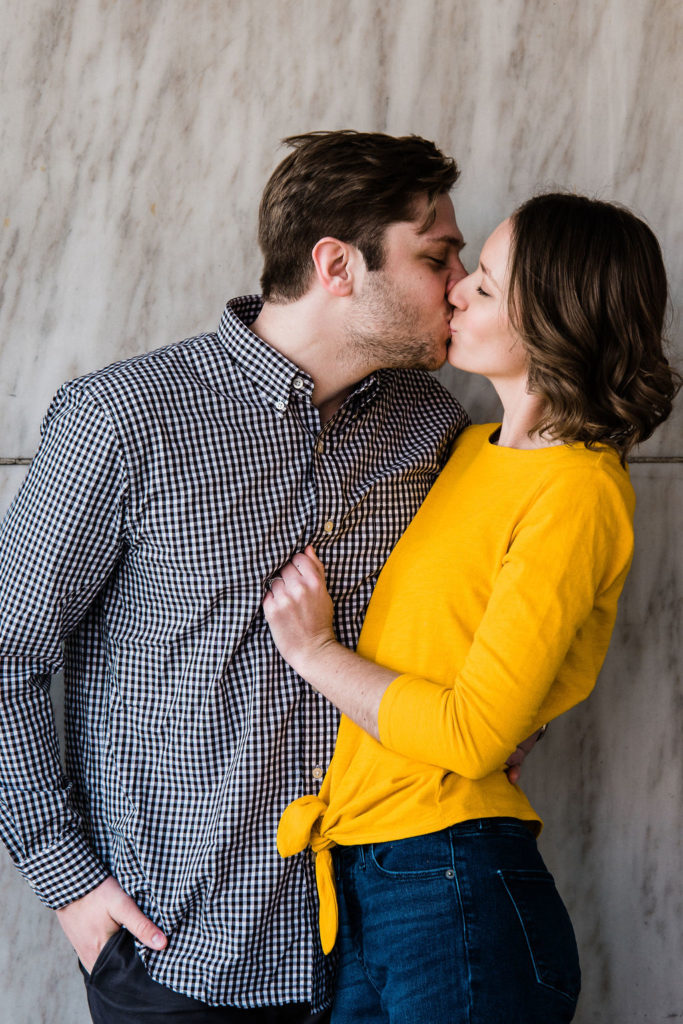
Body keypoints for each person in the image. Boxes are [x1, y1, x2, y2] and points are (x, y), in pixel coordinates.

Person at [0, 129, 506, 1023]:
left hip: (377, 946)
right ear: (337, 264)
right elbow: (7, 655)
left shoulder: (430, 428)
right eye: (438, 255)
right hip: (177, 956)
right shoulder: (125, 419)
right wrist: (69, 883)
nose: (460, 284)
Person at [263, 193, 681, 1023]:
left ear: (553, 324)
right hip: (367, 877)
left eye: (483, 287)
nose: (453, 292)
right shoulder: (463, 449)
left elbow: (472, 735)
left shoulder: (577, 491)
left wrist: (313, 654)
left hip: (451, 883)